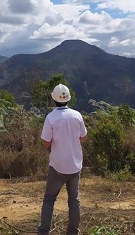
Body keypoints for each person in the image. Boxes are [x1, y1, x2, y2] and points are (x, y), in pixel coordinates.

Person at [38, 83, 87, 235]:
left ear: (54, 99)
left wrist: (52, 150)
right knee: (74, 201)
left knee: (49, 199)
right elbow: (83, 138)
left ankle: (44, 231)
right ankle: (73, 232)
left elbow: (46, 141)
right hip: (75, 165)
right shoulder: (77, 115)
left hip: (57, 166)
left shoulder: (51, 118)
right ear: (68, 99)